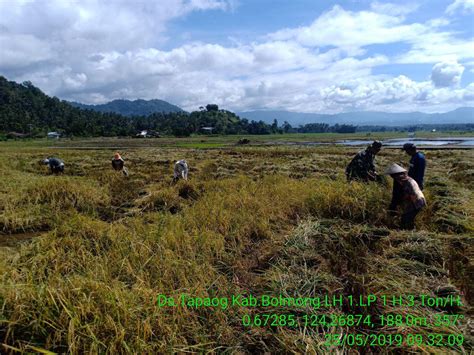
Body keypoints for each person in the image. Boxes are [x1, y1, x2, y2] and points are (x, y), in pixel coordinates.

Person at [385, 163, 426, 230]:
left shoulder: (406, 182)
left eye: (393, 176)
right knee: (407, 218)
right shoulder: (407, 179)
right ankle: (410, 230)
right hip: (418, 201)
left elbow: (407, 194)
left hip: (416, 202)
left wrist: (395, 204)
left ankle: (408, 233)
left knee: (406, 219)